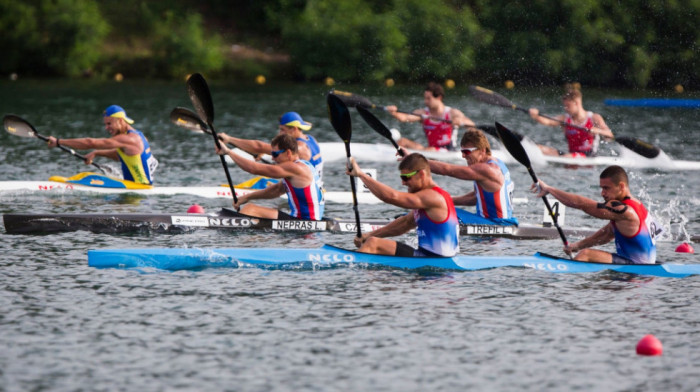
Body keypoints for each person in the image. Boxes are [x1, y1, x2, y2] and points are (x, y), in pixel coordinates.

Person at [531, 165, 657, 264]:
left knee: (586, 255)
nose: (602, 193)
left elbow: (581, 204)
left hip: (636, 267)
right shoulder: (637, 206)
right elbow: (606, 235)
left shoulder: (625, 210)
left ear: (621, 186)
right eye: (601, 188)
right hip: (641, 265)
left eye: (606, 188)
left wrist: (549, 189)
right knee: (584, 252)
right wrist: (576, 246)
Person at [346, 153, 459, 257]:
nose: (403, 183)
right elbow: (405, 224)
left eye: (406, 177)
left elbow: (391, 197)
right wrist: (369, 235)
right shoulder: (426, 199)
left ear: (421, 174)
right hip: (425, 256)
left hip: (436, 262)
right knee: (372, 241)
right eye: (402, 178)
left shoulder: (432, 197)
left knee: (373, 244)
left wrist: (361, 175)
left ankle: (350, 269)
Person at [216, 133, 324, 220]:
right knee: (254, 212)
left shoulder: (294, 168)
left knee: (251, 209)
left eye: (275, 154)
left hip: (306, 222)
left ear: (288, 153)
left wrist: (228, 152)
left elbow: (254, 169)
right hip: (303, 219)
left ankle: (237, 239)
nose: (272, 158)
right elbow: (276, 190)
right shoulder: (304, 165)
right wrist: (247, 197)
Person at [425, 128, 518, 226]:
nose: (463, 156)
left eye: (467, 152)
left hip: (495, 223)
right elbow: (475, 197)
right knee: (439, 208)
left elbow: (446, 169)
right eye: (462, 152)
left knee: (433, 212)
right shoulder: (498, 163)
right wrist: (445, 200)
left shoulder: (486, 169)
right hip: (500, 221)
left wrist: (416, 161)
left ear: (482, 150)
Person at [47, 105, 158, 185]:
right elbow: (121, 156)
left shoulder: (129, 139)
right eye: (105, 124)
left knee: (88, 177)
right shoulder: (139, 136)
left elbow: (90, 143)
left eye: (109, 123)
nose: (106, 128)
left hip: (139, 189)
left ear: (120, 121)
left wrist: (58, 142)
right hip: (138, 187)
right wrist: (97, 153)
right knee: (86, 176)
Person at [218, 111, 323, 186]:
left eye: (283, 130)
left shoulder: (298, 148)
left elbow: (260, 146)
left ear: (294, 129)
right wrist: (272, 154)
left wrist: (229, 139)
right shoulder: (311, 139)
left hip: (303, 187)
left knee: (260, 182)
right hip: (312, 184)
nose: (280, 133)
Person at [385, 82, 475, 151]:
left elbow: (472, 126)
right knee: (402, 142)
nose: (425, 101)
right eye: (425, 98)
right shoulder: (423, 113)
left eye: (429, 98)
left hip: (448, 150)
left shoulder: (452, 113)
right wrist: (394, 112)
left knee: (428, 150)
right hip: (430, 150)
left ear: (439, 97)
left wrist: (461, 122)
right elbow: (405, 118)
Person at [528, 88, 614, 157]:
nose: (565, 108)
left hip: (588, 156)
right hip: (570, 155)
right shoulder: (565, 118)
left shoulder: (594, 118)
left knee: (566, 156)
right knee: (538, 148)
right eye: (564, 105)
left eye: (568, 106)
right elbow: (549, 122)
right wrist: (535, 115)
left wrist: (597, 131)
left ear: (576, 103)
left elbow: (610, 135)